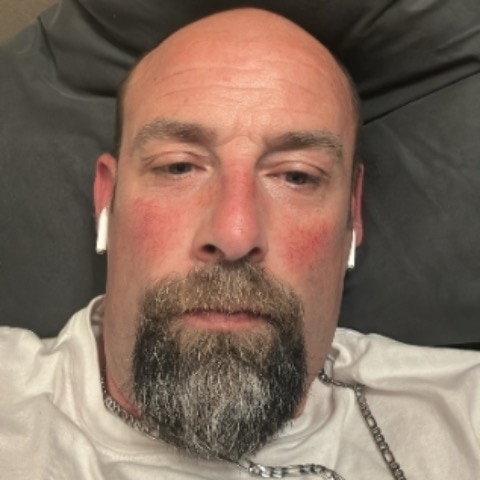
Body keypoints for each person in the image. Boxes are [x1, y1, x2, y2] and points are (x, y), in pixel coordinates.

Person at [0, 7, 479, 480]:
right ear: (108, 197)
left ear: (352, 215)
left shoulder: (464, 413)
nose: (234, 235)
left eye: (296, 176)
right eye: (178, 167)